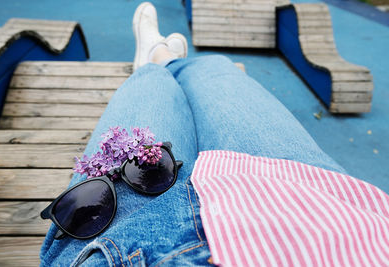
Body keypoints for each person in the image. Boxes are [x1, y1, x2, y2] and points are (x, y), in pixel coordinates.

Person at [40, 2, 389, 266]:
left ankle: (155, 62)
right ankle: (164, 58)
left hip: (126, 234)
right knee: (216, 67)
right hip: (312, 205)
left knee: (151, 85)